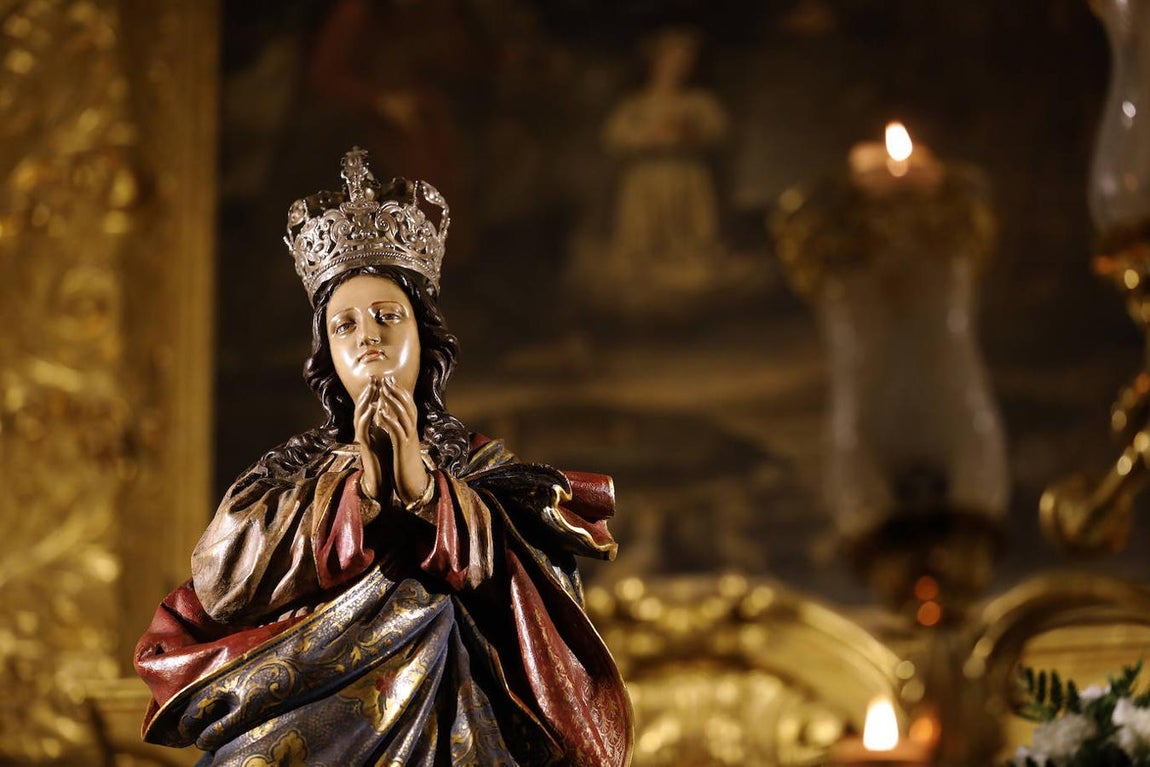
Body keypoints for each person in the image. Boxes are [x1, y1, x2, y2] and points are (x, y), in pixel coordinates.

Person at [134, 148, 633, 766]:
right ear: (327, 353)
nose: (367, 334)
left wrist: (425, 491)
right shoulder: (292, 468)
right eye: (344, 325)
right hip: (305, 714)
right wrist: (359, 496)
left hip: (452, 718)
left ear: (424, 335)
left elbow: (531, 593)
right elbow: (221, 578)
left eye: (387, 316)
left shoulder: (478, 464)